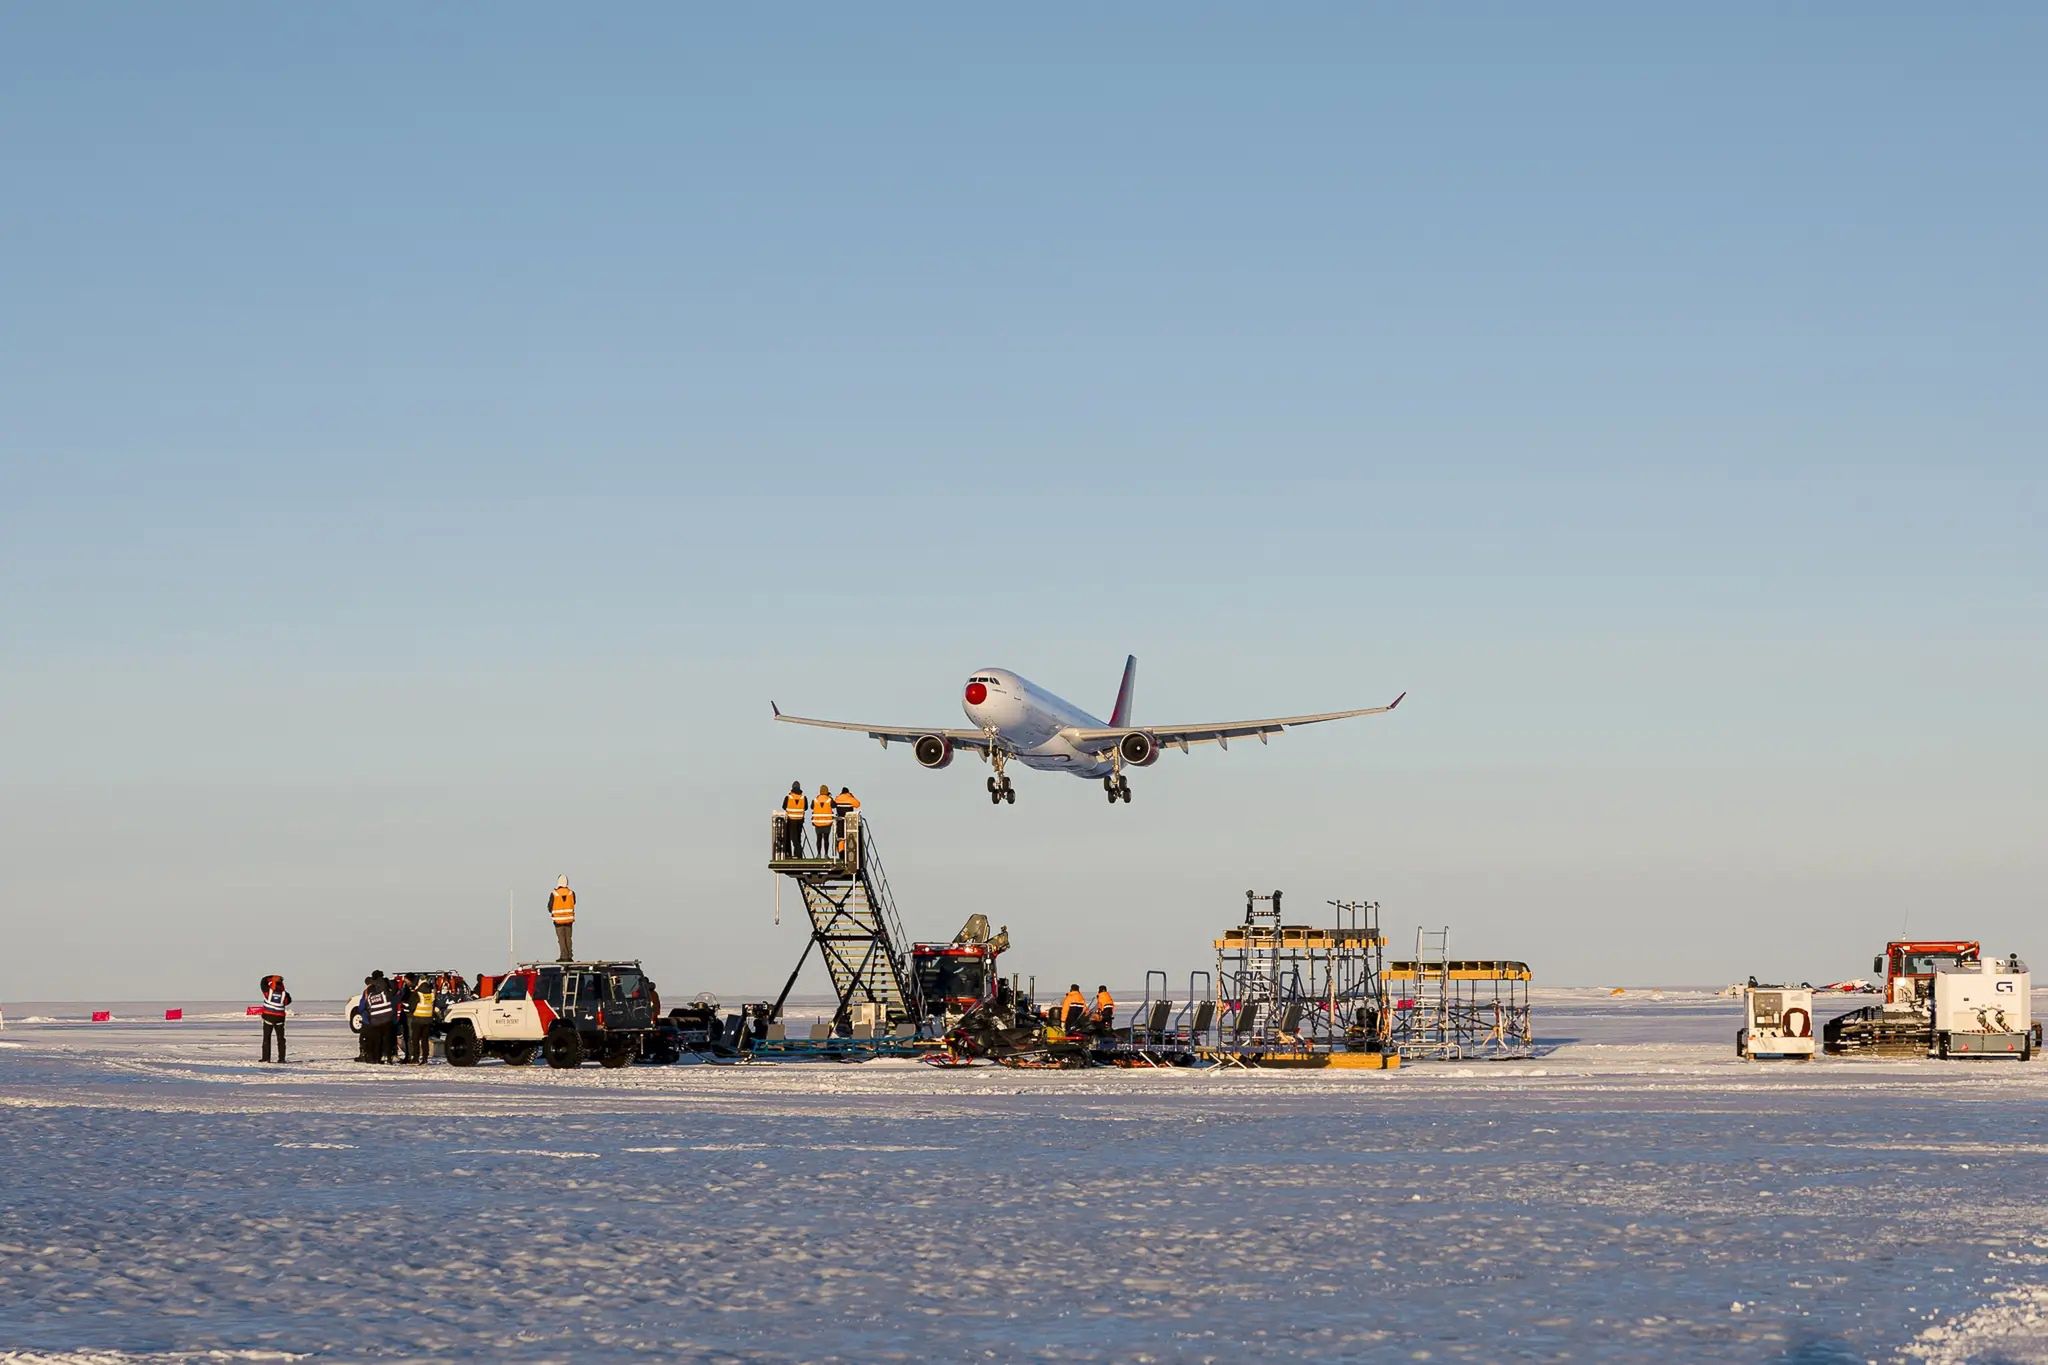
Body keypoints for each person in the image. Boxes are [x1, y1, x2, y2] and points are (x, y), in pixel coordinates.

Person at [359, 972, 397, 1063]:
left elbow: (362, 1006)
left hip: (374, 1019)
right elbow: (395, 997)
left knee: (376, 1040)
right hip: (389, 1017)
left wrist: (367, 1017)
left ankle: (375, 1058)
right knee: (388, 1039)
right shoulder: (387, 985)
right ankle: (389, 1057)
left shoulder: (369, 990)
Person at [258, 975, 291, 1063]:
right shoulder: (285, 994)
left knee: (266, 1038)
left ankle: (266, 1058)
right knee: (281, 1039)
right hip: (280, 1019)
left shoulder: (268, 992)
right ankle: (281, 1059)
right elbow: (288, 1001)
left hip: (268, 1018)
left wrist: (271, 977)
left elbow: (263, 981)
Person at [408, 975, 436, 1065]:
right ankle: (425, 1058)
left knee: (415, 1039)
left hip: (417, 1019)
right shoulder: (431, 994)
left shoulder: (417, 993)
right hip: (427, 1020)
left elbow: (411, 1006)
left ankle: (415, 1058)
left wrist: (411, 1012)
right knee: (425, 1040)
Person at [549, 875, 577, 961]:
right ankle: (569, 955)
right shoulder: (571, 893)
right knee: (568, 938)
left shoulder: (554, 893)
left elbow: (550, 906)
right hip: (569, 920)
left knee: (561, 939)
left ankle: (563, 956)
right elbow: (574, 902)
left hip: (558, 921)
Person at [781, 782, 807, 858]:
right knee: (798, 837)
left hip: (791, 820)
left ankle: (798, 852)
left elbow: (783, 807)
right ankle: (798, 855)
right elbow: (806, 807)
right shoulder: (803, 797)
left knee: (793, 838)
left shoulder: (788, 797)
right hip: (800, 820)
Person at [832, 785, 861, 853]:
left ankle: (841, 853)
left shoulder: (837, 798)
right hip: (849, 821)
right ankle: (849, 852)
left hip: (839, 821)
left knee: (841, 838)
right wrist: (852, 796)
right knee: (850, 837)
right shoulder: (850, 798)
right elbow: (858, 804)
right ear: (848, 792)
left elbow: (833, 804)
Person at [811, 784, 836, 857]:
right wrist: (830, 796)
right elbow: (835, 805)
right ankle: (826, 854)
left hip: (817, 823)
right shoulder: (829, 799)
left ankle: (818, 854)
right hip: (827, 823)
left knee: (818, 839)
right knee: (826, 839)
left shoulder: (815, 799)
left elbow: (812, 807)